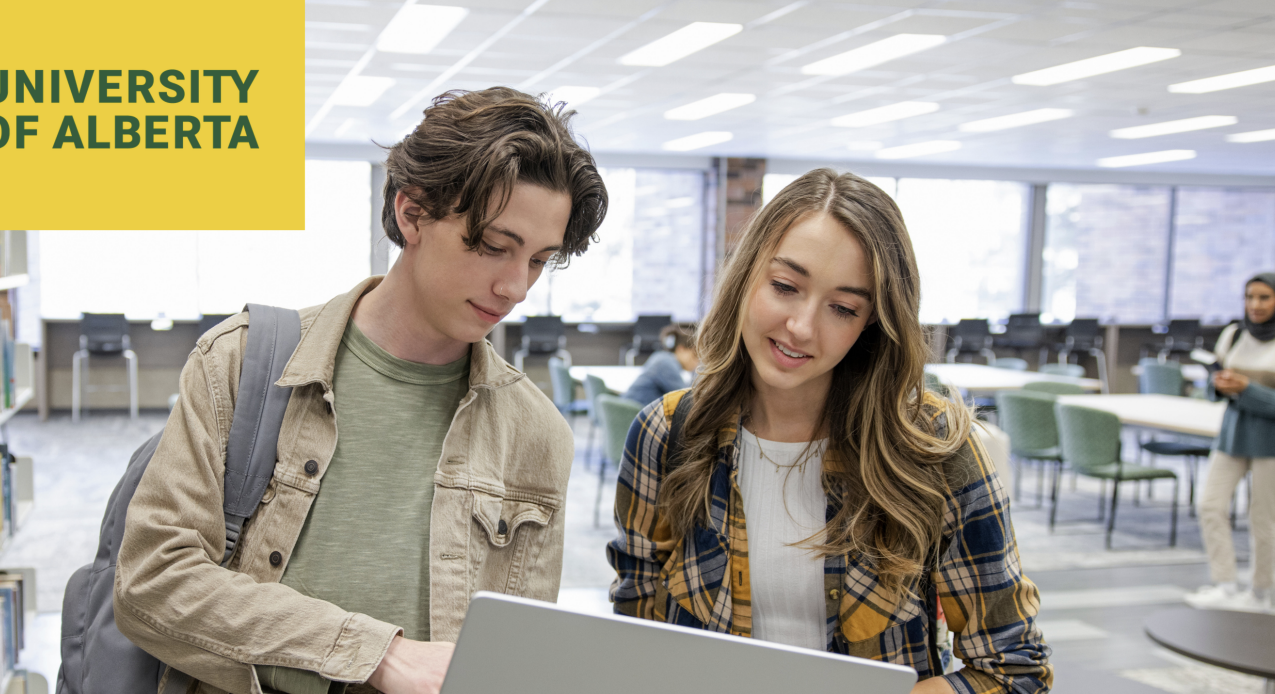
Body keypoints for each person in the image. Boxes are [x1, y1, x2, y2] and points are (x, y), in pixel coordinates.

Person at [113, 87, 607, 694]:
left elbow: (512, 658)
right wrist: (377, 655)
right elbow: (152, 583)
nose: (515, 287)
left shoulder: (536, 435)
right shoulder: (242, 362)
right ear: (412, 213)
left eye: (538, 260)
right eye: (494, 246)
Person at [606, 169, 1051, 694]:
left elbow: (1014, 672)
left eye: (842, 308)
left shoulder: (932, 451)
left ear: (872, 323)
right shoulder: (666, 434)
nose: (801, 327)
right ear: (747, 275)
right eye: (785, 286)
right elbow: (635, 641)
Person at [1185, 272, 1275, 611]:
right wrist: (1218, 385)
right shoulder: (1234, 334)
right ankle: (1224, 583)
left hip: (1270, 440)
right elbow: (1211, 386)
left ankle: (1262, 593)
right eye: (1250, 297)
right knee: (1210, 505)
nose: (1255, 304)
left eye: (1264, 297)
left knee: (1264, 518)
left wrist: (1247, 389)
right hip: (1232, 433)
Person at [622, 323, 698, 405]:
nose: (697, 361)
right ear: (681, 349)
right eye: (695, 355)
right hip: (635, 411)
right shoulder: (667, 363)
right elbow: (686, 398)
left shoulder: (662, 357)